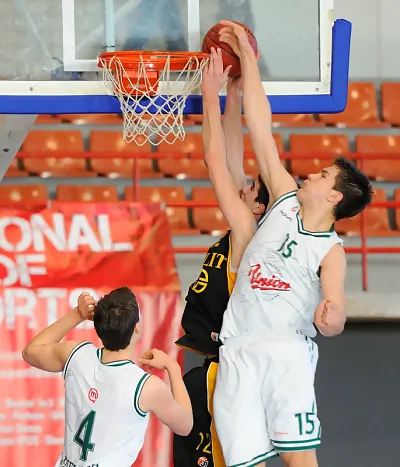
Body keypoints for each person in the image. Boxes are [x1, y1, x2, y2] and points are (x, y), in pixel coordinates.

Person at [210, 22, 373, 467]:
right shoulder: (283, 198)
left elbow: (335, 311)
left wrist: (333, 319)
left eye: (322, 176)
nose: (311, 175)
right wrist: (247, 59)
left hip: (285, 352)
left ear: (334, 197)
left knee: (298, 459)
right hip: (238, 349)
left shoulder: (331, 250)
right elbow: (261, 129)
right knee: (242, 462)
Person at [173, 53, 271, 467]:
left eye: (251, 188)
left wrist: (209, 94)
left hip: (229, 372)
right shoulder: (248, 228)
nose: (243, 185)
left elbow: (216, 163)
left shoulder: (249, 235)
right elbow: (232, 156)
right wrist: (234, 93)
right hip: (221, 367)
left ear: (257, 207)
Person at [22, 287, 193, 467]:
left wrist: (77, 314)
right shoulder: (147, 386)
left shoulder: (77, 354)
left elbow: (30, 352)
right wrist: (173, 367)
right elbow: (185, 426)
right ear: (136, 327)